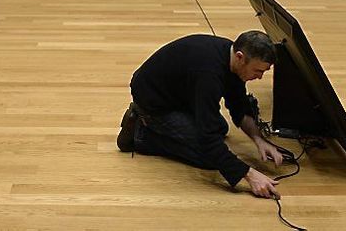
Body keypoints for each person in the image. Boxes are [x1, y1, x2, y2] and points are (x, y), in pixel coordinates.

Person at [117, 30, 284, 198]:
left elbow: (238, 105)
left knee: (220, 128)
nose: (260, 77)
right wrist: (250, 175)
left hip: (181, 94)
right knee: (208, 157)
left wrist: (259, 139)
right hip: (155, 103)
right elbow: (208, 140)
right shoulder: (208, 76)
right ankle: (141, 134)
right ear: (240, 57)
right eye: (258, 71)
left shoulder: (231, 57)